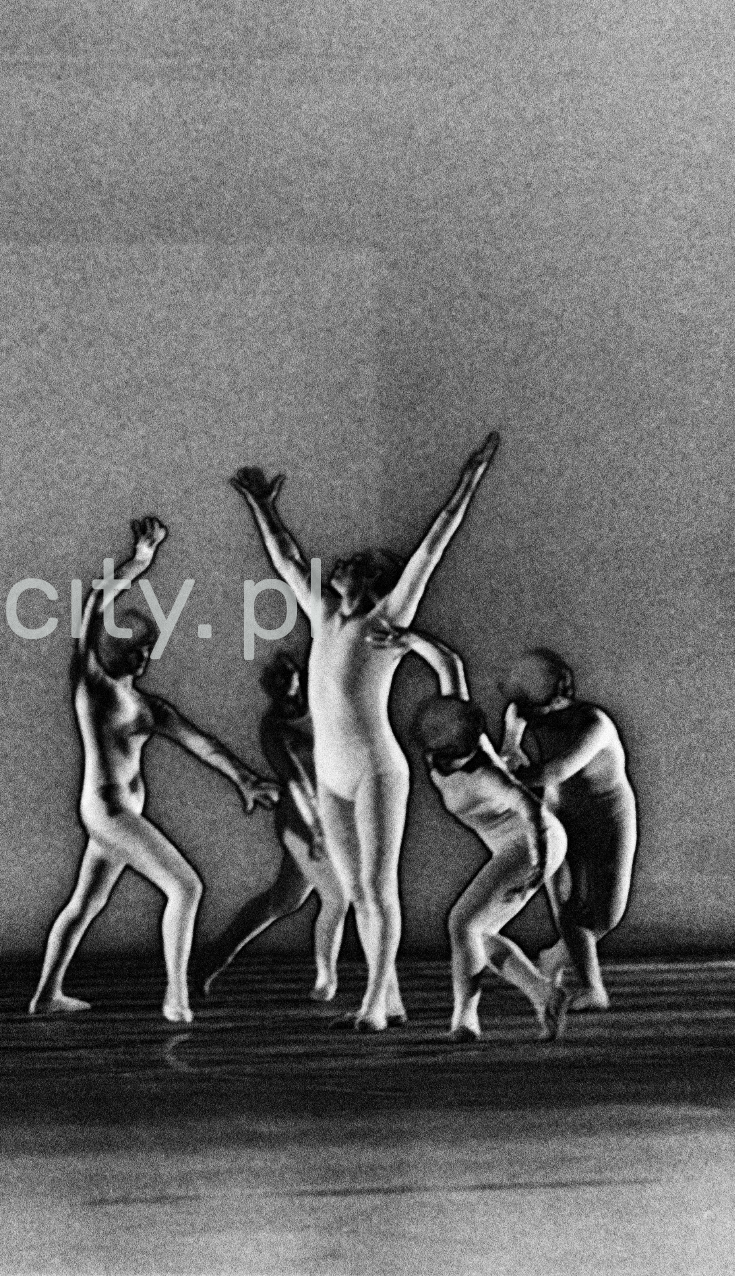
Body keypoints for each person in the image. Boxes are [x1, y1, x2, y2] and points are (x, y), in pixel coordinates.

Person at [230, 432, 497, 1031]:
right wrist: (263, 506)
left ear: (372, 581)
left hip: (377, 768)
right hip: (333, 774)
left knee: (377, 889)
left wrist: (468, 481)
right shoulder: (325, 615)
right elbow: (287, 561)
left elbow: (431, 549)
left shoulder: (387, 620)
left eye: (353, 566)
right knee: (353, 894)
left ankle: (375, 1000)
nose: (339, 567)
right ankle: (392, 994)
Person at [29, 517, 281, 1024]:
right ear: (112, 648)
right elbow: (91, 606)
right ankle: (176, 997)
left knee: (84, 905)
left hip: (118, 815)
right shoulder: (93, 688)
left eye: (148, 653)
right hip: (109, 811)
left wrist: (245, 778)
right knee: (185, 887)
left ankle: (46, 996)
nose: (143, 660)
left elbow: (203, 744)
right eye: (134, 650)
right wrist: (140, 561)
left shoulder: (149, 707)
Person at [412, 686, 570, 1042]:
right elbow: (452, 670)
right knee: (477, 934)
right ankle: (545, 994)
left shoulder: (485, 775)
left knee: (462, 923)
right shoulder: (443, 746)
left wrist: (536, 872)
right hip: (511, 847)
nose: (435, 761)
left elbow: (532, 811)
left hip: (531, 845)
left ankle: (465, 1019)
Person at [197, 652, 348, 1001]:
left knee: (285, 901)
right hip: (299, 822)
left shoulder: (321, 703)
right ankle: (326, 979)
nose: (283, 686)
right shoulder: (273, 727)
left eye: (287, 676)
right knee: (337, 898)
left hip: (330, 815)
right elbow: (296, 783)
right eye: (274, 682)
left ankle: (214, 955)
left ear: (298, 675)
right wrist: (316, 830)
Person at [500, 648, 637, 1011]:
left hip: (608, 817)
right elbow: (512, 749)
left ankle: (555, 957)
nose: (536, 714)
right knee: (566, 905)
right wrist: (510, 752)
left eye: (542, 706)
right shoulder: (523, 710)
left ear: (562, 694)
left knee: (607, 915)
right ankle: (594, 989)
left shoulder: (594, 723)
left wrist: (503, 777)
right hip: (559, 814)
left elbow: (555, 771)